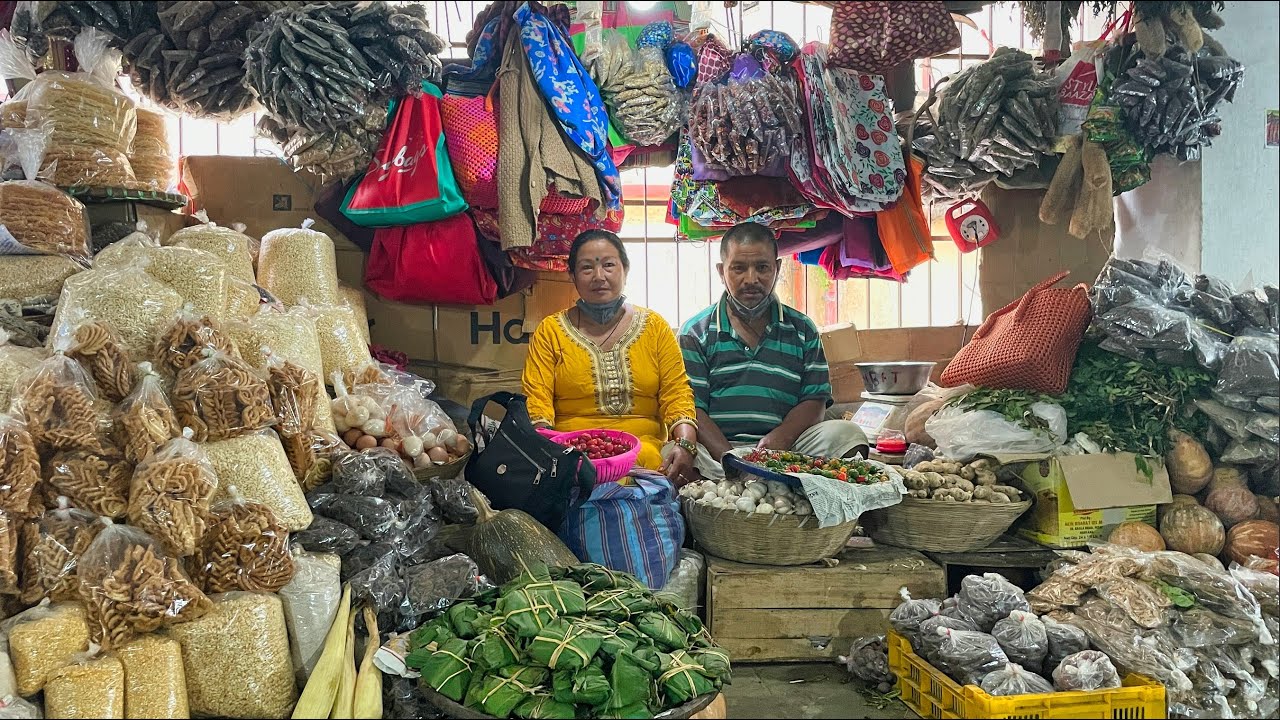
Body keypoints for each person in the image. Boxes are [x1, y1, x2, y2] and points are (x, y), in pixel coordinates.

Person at [674, 222, 869, 481]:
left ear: (777, 269)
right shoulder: (694, 332)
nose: (751, 279)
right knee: (674, 453)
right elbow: (692, 408)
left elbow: (815, 400)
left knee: (846, 435)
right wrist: (732, 460)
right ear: (722, 272)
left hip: (786, 447)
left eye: (762, 268)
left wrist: (782, 438)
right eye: (739, 268)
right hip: (717, 452)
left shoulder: (802, 329)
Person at [522, 230, 700, 484]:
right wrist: (555, 456)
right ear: (571, 276)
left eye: (608, 265)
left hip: (647, 456)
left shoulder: (655, 327)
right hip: (574, 458)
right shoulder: (550, 331)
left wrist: (685, 444)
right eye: (586, 268)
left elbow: (677, 393)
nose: (599, 277)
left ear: (625, 270)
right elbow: (536, 403)